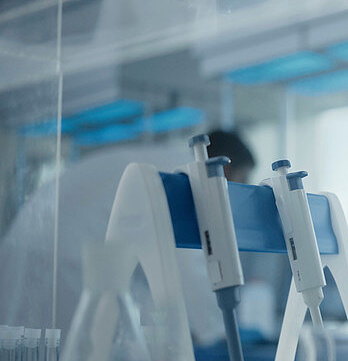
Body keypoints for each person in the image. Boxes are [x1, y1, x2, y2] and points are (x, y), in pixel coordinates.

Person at [0, 129, 256, 346]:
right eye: (241, 180)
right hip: (67, 261)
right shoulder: (189, 175)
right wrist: (217, 333)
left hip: (26, 244)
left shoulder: (162, 161)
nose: (235, 193)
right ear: (227, 167)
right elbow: (189, 266)